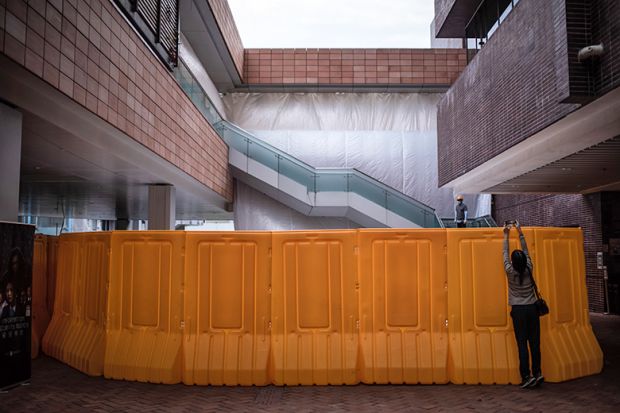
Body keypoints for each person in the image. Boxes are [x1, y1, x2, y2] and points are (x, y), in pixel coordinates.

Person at [503, 220, 544, 389]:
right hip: (533, 308)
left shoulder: (509, 271)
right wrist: (519, 232)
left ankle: (526, 377)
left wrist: (505, 234)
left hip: (518, 311)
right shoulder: (529, 269)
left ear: (513, 262)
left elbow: (504, 253)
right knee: (534, 342)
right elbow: (526, 252)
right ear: (524, 261)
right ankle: (538, 373)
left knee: (522, 344)